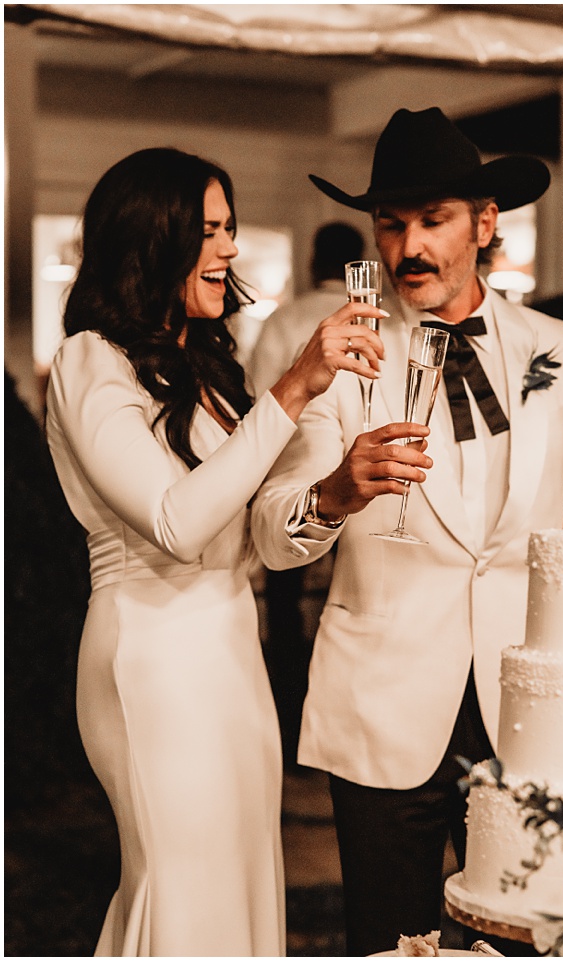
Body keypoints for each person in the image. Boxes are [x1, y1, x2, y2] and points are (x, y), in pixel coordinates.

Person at [251, 107, 563, 955]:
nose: (408, 247)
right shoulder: (341, 355)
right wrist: (337, 492)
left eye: (433, 221)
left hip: (533, 721)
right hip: (383, 710)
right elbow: (273, 536)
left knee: (536, 940)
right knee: (389, 943)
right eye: (391, 225)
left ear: (485, 223)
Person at [44, 147, 387, 955]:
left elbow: (258, 535)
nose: (230, 249)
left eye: (230, 227)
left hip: (232, 652)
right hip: (153, 658)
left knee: (241, 881)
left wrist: (335, 489)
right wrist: (294, 386)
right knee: (180, 889)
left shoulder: (205, 367)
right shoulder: (90, 358)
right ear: (151, 238)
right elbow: (176, 522)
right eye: (210, 229)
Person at [247, 221, 365, 769]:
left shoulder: (283, 320)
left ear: (313, 255)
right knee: (358, 595)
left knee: (286, 601)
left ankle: (294, 707)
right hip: (364, 481)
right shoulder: (372, 321)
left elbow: (256, 401)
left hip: (287, 479)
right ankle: (343, 709)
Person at [248, 221, 364, 398]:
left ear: (314, 262)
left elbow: (259, 390)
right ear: (361, 265)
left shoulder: (282, 319)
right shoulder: (379, 316)